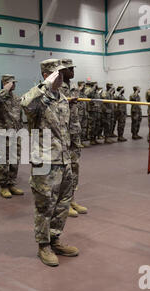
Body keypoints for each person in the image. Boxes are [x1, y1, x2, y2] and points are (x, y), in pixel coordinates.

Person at [20, 58, 79, 267]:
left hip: (63, 160)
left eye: (63, 74)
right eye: (58, 74)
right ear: (47, 75)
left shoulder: (62, 99)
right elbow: (25, 104)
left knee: (62, 204)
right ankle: (43, 246)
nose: (62, 77)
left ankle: (54, 239)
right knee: (45, 205)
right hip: (44, 163)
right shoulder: (37, 98)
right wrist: (45, 86)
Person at [59, 59, 88, 218]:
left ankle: (71, 199)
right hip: (63, 133)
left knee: (75, 166)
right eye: (70, 69)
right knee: (65, 168)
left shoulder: (73, 87)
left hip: (74, 131)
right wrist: (66, 101)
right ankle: (63, 203)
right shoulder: (56, 87)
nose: (73, 71)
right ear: (62, 71)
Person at [0, 74, 24, 199]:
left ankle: (12, 184)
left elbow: (20, 116)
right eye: (10, 82)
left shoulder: (17, 98)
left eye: (14, 82)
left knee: (15, 160)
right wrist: (4, 90)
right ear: (5, 83)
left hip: (16, 133)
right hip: (3, 134)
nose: (13, 84)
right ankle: (4, 186)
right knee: (3, 161)